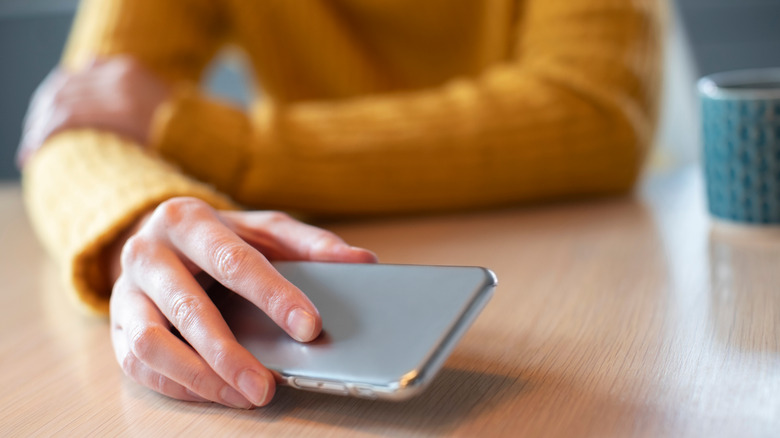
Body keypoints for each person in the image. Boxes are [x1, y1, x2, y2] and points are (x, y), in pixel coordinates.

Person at [18, 0, 664, 409]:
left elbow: (592, 113)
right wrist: (145, 224)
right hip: (311, 265)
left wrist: (212, 136)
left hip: (602, 280)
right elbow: (78, 116)